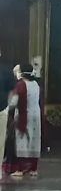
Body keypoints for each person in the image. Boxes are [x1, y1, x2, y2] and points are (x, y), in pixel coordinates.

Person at [4, 63, 42, 178]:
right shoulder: (36, 84)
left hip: (24, 115)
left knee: (22, 141)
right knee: (34, 140)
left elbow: (13, 103)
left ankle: (20, 169)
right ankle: (34, 169)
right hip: (36, 115)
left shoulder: (20, 85)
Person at [0, 47, 18, 175]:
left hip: (1, 110)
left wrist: (7, 106)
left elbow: (12, 90)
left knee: (0, 141)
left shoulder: (5, 70)